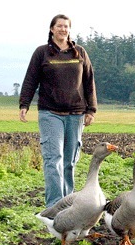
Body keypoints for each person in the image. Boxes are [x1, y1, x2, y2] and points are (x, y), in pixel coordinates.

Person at [19, 14, 97, 208]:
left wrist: (91, 109)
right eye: (59, 26)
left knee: (69, 161)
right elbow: (30, 80)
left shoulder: (79, 53)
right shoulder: (42, 53)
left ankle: (68, 202)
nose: (63, 29)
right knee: (54, 159)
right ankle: (54, 205)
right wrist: (24, 104)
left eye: (66, 26)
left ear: (69, 30)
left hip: (76, 114)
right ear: (52, 29)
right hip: (50, 113)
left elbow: (89, 82)